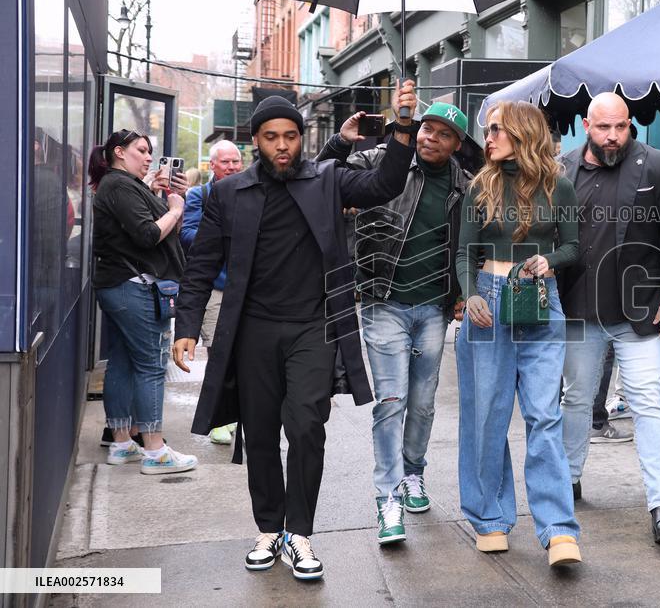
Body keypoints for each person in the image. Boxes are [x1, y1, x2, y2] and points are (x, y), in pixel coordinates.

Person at [172, 84, 417, 581]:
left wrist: (404, 124)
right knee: (259, 433)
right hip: (252, 331)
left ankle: (299, 533)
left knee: (306, 428)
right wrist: (188, 327)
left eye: (289, 136)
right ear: (255, 142)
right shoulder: (227, 193)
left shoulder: (329, 179)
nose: (282, 146)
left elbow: (386, 184)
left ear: (301, 138)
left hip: (314, 328)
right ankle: (269, 527)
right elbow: (201, 266)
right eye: (270, 137)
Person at [558, 92, 660, 544]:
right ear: (586, 124)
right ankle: (570, 480)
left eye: (621, 127)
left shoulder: (657, 165)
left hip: (641, 311)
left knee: (648, 401)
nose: (613, 136)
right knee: (577, 400)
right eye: (603, 128)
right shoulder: (563, 168)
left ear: (629, 123)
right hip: (580, 309)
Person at [332, 102, 473, 545]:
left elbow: (472, 247)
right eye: (426, 128)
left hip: (433, 308)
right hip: (383, 302)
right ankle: (387, 498)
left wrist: (463, 293)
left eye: (442, 133)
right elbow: (322, 182)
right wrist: (340, 142)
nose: (430, 137)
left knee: (424, 402)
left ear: (456, 145)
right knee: (390, 401)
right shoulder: (380, 163)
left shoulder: (464, 188)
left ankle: (414, 473)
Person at [455, 100, 582, 567]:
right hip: (488, 298)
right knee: (487, 416)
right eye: (487, 131)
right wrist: (471, 296)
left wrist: (552, 260)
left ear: (522, 134)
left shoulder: (558, 186)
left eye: (496, 130)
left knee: (544, 415)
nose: (487, 139)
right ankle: (490, 518)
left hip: (541, 298)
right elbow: (464, 254)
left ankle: (559, 530)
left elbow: (573, 246)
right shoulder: (479, 188)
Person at [90, 129, 198, 475]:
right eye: (142, 150)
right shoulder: (118, 185)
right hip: (133, 287)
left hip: (122, 285)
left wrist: (159, 195)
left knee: (122, 362)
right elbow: (149, 234)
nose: (149, 156)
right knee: (151, 365)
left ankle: (122, 442)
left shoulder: (122, 185)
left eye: (151, 152)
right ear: (119, 152)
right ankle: (154, 449)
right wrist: (176, 207)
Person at [179, 140, 244, 445]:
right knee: (220, 354)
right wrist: (224, 234)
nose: (231, 167)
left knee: (244, 357)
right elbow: (188, 235)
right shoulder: (200, 195)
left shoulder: (250, 192)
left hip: (246, 289)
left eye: (236, 162)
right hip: (217, 290)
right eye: (226, 162)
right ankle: (220, 418)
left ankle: (235, 414)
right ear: (212, 165)